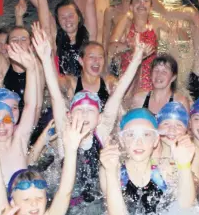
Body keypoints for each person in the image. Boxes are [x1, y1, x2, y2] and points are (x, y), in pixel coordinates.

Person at [33, 24, 145, 205]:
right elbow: (55, 94)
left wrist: (137, 58)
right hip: (67, 205)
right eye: (80, 110)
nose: (85, 115)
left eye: (90, 110)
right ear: (69, 115)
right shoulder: (65, 135)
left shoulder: (101, 131)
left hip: (98, 203)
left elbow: (118, 93)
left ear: (99, 117)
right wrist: (46, 57)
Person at [99, 108, 197, 215]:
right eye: (131, 135)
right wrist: (110, 172)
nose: (139, 142)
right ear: (122, 140)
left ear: (156, 140)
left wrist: (184, 165)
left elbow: (185, 210)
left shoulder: (165, 168)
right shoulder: (111, 169)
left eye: (146, 134)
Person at [0, 43, 41, 191]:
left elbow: (30, 105)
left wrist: (31, 69)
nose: (2, 126)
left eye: (7, 120)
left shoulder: (19, 142)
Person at [20, 0, 99, 78]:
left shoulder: (89, 34)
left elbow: (90, 0)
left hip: (85, 86)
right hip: (61, 88)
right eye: (63, 17)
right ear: (58, 21)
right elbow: (42, 12)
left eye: (71, 16)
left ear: (78, 17)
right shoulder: (55, 37)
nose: (67, 20)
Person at [153, 102, 199, 184]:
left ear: (186, 130)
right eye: (166, 123)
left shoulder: (194, 152)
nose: (172, 130)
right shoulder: (150, 148)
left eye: (178, 125)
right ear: (157, 127)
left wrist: (180, 169)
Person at [56, 40, 116, 107]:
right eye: (91, 57)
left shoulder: (108, 83)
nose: (96, 61)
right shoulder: (72, 83)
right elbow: (56, 85)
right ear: (81, 61)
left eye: (100, 57)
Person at [126, 53, 192, 113]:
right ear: (151, 74)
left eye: (164, 72)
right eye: (156, 70)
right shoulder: (139, 99)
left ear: (173, 78)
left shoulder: (180, 102)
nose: (159, 75)